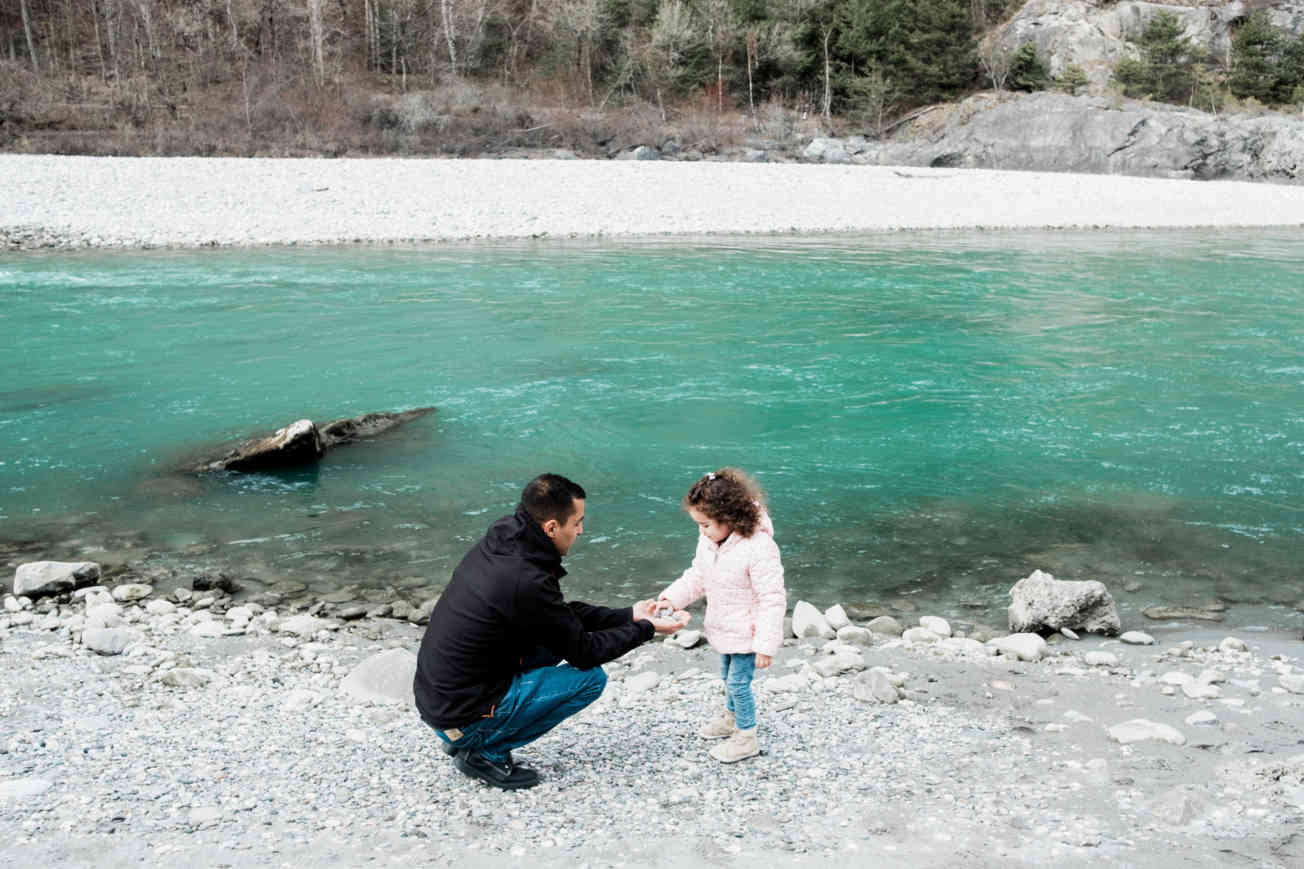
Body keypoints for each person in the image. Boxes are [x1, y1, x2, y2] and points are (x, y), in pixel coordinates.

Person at [414, 473, 687, 790]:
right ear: (551, 528)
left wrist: (629, 615)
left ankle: (468, 737)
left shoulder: (507, 536)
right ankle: (484, 751)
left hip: (440, 702)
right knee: (589, 680)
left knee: (552, 642)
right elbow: (584, 652)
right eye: (577, 523)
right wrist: (646, 630)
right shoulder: (526, 579)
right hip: (461, 716)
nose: (581, 530)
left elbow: (559, 616)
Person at [655, 468, 786, 763]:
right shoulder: (711, 541)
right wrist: (671, 598)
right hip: (725, 627)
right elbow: (698, 576)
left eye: (705, 525)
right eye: (698, 525)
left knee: (739, 684)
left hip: (748, 633)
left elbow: (772, 598)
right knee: (727, 678)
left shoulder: (759, 547)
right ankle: (731, 718)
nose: (701, 531)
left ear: (729, 517)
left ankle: (746, 736)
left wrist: (765, 644)